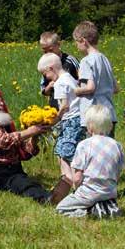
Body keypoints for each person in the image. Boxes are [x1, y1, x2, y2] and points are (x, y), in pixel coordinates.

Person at [56, 105, 124, 218]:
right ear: (110, 125)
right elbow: (117, 173)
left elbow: (77, 178)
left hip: (88, 193)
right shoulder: (117, 145)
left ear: (90, 126)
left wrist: (76, 189)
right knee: (101, 198)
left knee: (61, 208)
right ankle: (107, 206)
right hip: (110, 192)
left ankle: (88, 213)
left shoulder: (84, 145)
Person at [37, 53, 84, 203]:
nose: (46, 78)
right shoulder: (69, 78)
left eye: (45, 74)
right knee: (66, 152)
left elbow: (64, 105)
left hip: (70, 121)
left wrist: (53, 120)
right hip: (79, 121)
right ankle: (68, 186)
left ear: (51, 68)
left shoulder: (59, 84)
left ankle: (73, 186)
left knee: (65, 155)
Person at [73, 21, 119, 138]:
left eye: (76, 42)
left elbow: (90, 87)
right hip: (108, 114)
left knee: (94, 150)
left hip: (93, 116)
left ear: (83, 40)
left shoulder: (86, 61)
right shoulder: (105, 59)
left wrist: (77, 90)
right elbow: (116, 88)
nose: (76, 45)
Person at [39, 32, 79, 109]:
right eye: (44, 51)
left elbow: (82, 80)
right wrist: (49, 86)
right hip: (54, 107)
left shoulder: (70, 60)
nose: (48, 54)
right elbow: (44, 91)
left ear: (58, 44)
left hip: (72, 107)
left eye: (51, 50)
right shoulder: (45, 64)